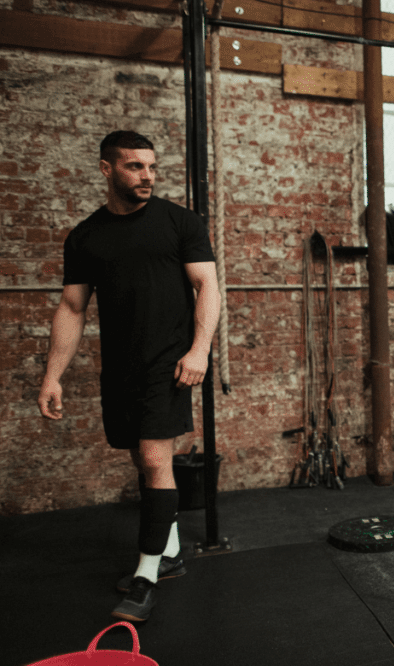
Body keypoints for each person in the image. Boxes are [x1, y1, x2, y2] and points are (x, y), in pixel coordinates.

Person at [37, 130, 220, 621]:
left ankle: (145, 575)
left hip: (171, 361)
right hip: (120, 366)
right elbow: (72, 307)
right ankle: (172, 553)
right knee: (142, 462)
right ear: (106, 169)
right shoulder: (86, 236)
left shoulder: (180, 222)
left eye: (152, 167)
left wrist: (200, 349)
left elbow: (208, 286)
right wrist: (53, 376)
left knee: (154, 456)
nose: (147, 176)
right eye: (135, 167)